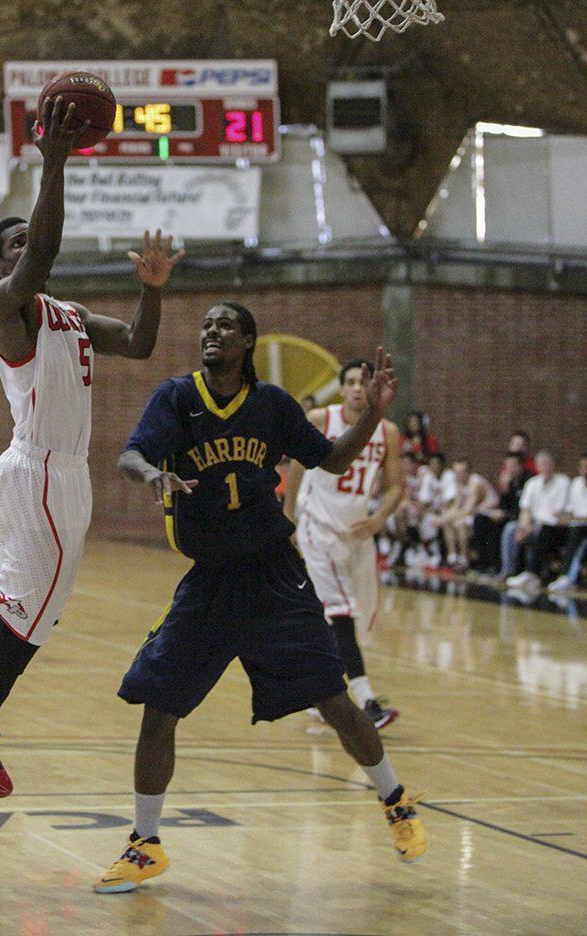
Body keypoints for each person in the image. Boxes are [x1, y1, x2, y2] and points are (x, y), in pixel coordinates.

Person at [93, 304, 425, 895]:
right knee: (158, 705)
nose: (210, 333)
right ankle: (145, 844)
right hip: (211, 581)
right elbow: (129, 454)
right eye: (205, 327)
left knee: (334, 700)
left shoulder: (273, 406)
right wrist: (151, 476)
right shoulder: (177, 398)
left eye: (224, 326)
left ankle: (395, 800)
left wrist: (374, 415)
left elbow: (336, 457)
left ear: (247, 340)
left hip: (275, 577)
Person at [0, 96, 184, 798]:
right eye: (13, 247)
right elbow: (48, 249)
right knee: (31, 620)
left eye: (25, 243)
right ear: (0, 267)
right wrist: (54, 160)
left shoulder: (70, 314)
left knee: (26, 610)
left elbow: (142, 344)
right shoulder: (5, 307)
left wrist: (151, 291)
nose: (25, 251)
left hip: (65, 475)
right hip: (36, 469)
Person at [283, 357, 404, 729]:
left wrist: (380, 517)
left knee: (356, 615)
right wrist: (288, 518)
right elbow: (297, 467)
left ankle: (320, 694)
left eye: (362, 381)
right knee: (340, 611)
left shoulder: (388, 432)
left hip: (356, 533)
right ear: (341, 388)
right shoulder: (322, 420)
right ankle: (367, 701)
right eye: (350, 381)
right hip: (317, 526)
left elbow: (397, 485)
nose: (356, 387)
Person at [503, 451, 571, 590]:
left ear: (554, 466)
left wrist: (532, 528)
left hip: (554, 527)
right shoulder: (532, 483)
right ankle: (508, 570)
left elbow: (557, 515)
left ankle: (533, 573)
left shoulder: (563, 482)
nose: (545, 468)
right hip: (533, 523)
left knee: (543, 530)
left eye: (548, 464)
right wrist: (524, 526)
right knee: (511, 529)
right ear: (537, 467)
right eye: (542, 465)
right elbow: (525, 509)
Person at [436, 458, 498, 571]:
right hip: (474, 512)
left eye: (461, 472)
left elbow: (468, 508)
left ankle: (464, 560)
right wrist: (444, 517)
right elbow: (457, 505)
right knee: (448, 522)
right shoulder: (459, 483)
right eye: (456, 472)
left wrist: (446, 517)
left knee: (461, 523)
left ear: (468, 471)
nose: (458, 475)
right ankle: (452, 557)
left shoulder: (475, 482)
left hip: (486, 513)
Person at [470, 453, 528, 573]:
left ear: (521, 466)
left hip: (521, 518)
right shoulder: (511, 482)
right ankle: (483, 564)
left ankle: (501, 568)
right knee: (480, 519)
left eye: (513, 466)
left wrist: (506, 514)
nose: (510, 469)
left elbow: (524, 507)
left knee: (501, 527)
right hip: (508, 514)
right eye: (507, 466)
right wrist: (504, 492)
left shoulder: (528, 481)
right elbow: (503, 504)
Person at [546, 452, 587, 592]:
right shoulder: (576, 484)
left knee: (578, 532)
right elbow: (571, 511)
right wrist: (561, 516)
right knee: (550, 529)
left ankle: (568, 576)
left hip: (582, 529)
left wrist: (577, 518)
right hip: (574, 526)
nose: (584, 470)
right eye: (583, 467)